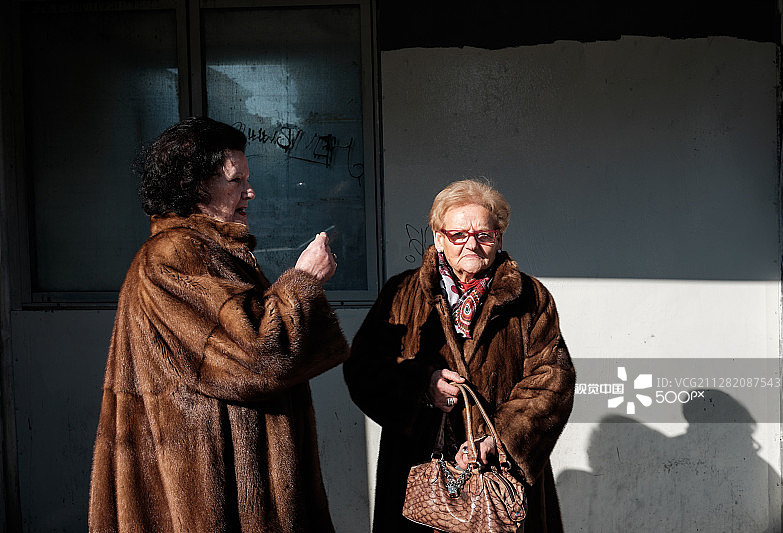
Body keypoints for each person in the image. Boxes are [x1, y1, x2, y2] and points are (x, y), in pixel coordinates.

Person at [88, 116, 348, 532]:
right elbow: (255, 360)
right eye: (235, 180)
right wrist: (303, 282)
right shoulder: (175, 254)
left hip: (226, 466)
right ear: (193, 186)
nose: (250, 192)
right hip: (208, 476)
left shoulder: (208, 249)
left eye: (248, 178)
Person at [343, 179, 576, 532]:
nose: (472, 244)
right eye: (458, 235)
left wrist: (500, 440)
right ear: (439, 237)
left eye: (484, 235)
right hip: (418, 475)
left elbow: (552, 380)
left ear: (498, 238)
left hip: (500, 483)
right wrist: (422, 385)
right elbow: (364, 370)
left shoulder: (531, 297)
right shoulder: (401, 292)